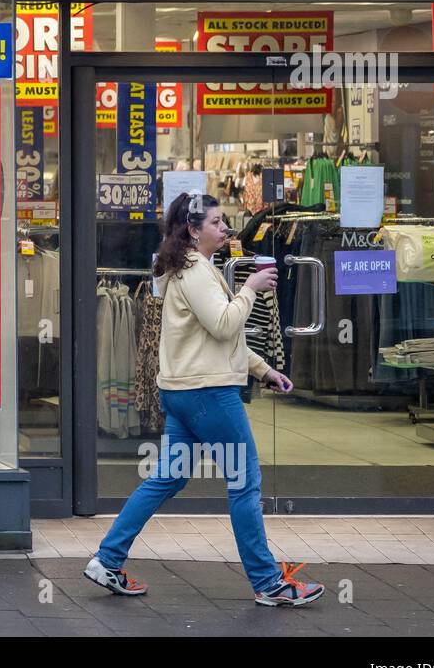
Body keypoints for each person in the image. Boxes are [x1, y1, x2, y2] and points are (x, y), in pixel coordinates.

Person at [84, 191, 325, 608]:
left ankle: (106, 559)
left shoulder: (186, 267)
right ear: (193, 231)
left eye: (224, 220)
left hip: (184, 393)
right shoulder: (196, 270)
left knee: (168, 478)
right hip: (208, 396)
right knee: (245, 482)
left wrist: (263, 370)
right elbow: (223, 323)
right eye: (216, 222)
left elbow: (217, 339)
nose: (225, 227)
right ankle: (268, 583)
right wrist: (249, 288)